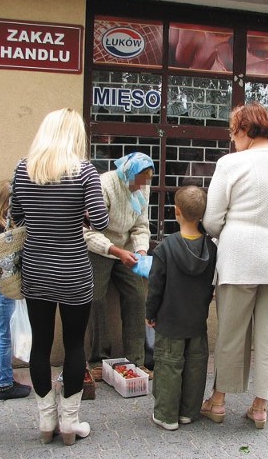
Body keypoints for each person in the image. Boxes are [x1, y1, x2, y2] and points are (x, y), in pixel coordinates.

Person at [201, 102, 268, 429]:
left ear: (246, 130)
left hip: (238, 260)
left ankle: (218, 402)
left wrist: (234, 231)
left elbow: (210, 220)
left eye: (233, 131)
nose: (232, 138)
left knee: (231, 333)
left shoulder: (230, 164)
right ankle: (260, 407)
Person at [10, 108, 109, 446]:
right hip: (73, 271)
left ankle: (45, 420)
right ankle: (70, 424)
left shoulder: (24, 169)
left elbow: (16, 217)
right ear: (75, 135)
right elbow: (100, 221)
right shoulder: (85, 172)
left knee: (40, 344)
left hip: (36, 269)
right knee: (73, 345)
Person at [145, 186, 217, 431]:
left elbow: (155, 286)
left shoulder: (165, 248)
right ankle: (188, 412)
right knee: (195, 365)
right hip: (197, 319)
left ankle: (167, 415)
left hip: (169, 320)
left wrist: (150, 314)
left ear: (176, 211)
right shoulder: (212, 249)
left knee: (168, 366)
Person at [83, 152, 155, 381]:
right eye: (139, 180)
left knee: (136, 297)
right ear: (127, 173)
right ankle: (97, 359)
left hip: (126, 248)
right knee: (95, 299)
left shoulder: (142, 186)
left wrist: (141, 251)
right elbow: (88, 231)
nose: (142, 186)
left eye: (146, 181)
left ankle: (136, 360)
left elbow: (141, 225)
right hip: (100, 247)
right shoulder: (105, 185)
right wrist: (114, 251)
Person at [0, 180, 32, 401]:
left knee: (6, 334)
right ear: (7, 203)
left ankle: (6, 378)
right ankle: (3, 384)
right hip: (2, 289)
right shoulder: (1, 231)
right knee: (5, 336)